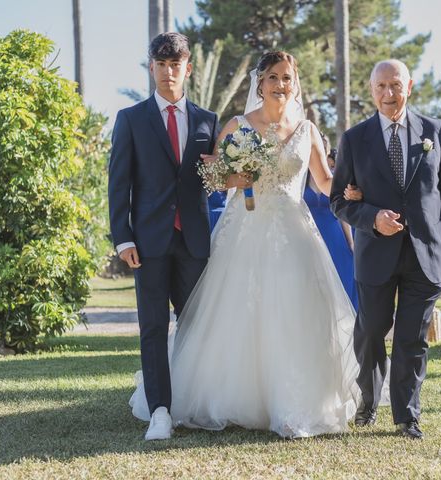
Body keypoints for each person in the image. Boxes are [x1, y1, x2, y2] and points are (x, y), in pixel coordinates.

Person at [129, 51, 364, 438]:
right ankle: (223, 398)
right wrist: (235, 179)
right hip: (245, 230)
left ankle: (291, 405)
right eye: (273, 77)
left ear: (295, 83)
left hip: (295, 232)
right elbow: (211, 176)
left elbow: (324, 182)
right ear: (260, 83)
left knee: (293, 313)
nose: (280, 85)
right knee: (239, 312)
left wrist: (350, 189)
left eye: (287, 78)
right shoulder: (238, 125)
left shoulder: (307, 129)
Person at [108, 33, 249, 441]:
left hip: (195, 242)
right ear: (151, 68)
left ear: (187, 69)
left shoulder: (207, 119)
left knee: (198, 327)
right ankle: (161, 412)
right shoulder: (130, 119)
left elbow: (215, 178)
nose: (169, 72)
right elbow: (119, 184)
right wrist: (123, 238)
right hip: (148, 243)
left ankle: (200, 403)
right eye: (161, 65)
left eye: (176, 65)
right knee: (153, 328)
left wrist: (236, 174)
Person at [330, 59, 441, 439]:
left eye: (395, 85)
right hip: (375, 253)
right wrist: (372, 217)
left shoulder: (434, 131)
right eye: (381, 87)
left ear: (409, 86)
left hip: (427, 253)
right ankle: (367, 402)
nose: (388, 94)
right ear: (371, 89)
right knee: (371, 331)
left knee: (412, 337)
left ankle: (407, 415)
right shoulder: (354, 139)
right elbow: (339, 202)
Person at [303, 136, 359, 310]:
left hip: (333, 233)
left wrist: (350, 242)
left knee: (341, 276)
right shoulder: (300, 177)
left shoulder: (335, 178)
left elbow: (343, 211)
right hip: (306, 233)